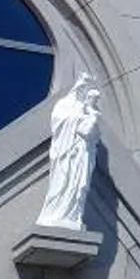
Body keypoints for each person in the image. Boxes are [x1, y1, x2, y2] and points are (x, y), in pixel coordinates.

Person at [37, 74, 103, 231]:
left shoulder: (92, 112)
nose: (87, 95)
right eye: (84, 90)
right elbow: (60, 121)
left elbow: (92, 136)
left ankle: (74, 215)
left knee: (80, 185)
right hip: (66, 153)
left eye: (91, 94)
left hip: (83, 154)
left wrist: (91, 118)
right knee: (63, 181)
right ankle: (57, 213)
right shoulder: (64, 105)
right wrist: (81, 119)